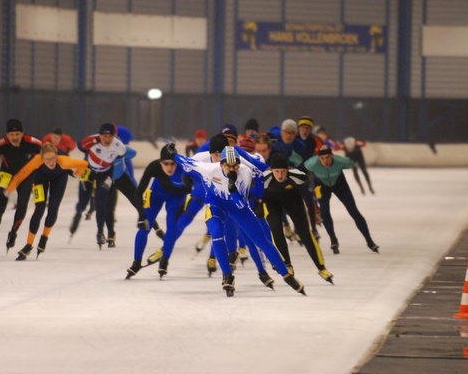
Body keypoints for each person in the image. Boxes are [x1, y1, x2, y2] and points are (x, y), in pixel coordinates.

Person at [173, 145, 306, 297]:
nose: (231, 169)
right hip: (216, 205)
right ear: (221, 164)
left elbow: (241, 204)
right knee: (216, 233)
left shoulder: (245, 173)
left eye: (235, 166)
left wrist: (233, 189)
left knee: (261, 240)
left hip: (238, 206)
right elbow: (187, 162)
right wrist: (172, 154)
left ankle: (287, 276)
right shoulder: (210, 169)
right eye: (228, 166)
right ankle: (227, 274)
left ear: (239, 165)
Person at [2, 142, 90, 260]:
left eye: (53, 158)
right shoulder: (36, 161)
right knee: (39, 209)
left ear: (56, 155)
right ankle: (28, 245)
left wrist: (75, 174)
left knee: (53, 207)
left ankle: (44, 237)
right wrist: (8, 190)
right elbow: (20, 176)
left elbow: (84, 164)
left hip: (59, 179)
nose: (51, 162)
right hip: (40, 179)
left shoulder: (63, 161)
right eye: (47, 159)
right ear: (41, 158)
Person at [263, 153, 333, 283]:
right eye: (276, 171)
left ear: (288, 170)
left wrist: (316, 201)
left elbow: (310, 188)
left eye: (283, 172)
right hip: (272, 204)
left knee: (306, 234)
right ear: (271, 170)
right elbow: (254, 193)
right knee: (276, 231)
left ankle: (321, 268)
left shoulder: (297, 175)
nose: (280, 175)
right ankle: (287, 264)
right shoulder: (264, 178)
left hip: (293, 203)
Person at [125, 144, 192, 279]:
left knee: (172, 225)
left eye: (173, 164)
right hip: (157, 193)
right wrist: (141, 214)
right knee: (145, 226)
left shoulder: (185, 168)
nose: (169, 167)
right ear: (160, 162)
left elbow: (196, 188)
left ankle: (164, 260)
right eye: (165, 164)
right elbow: (138, 193)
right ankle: (136, 262)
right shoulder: (154, 167)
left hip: (177, 197)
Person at [0, 119, 42, 256]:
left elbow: (49, 152)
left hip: (26, 174)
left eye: (17, 134)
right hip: (7, 173)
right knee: (0, 205)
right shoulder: (0, 144)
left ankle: (13, 233)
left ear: (22, 134)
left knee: (22, 202)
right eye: (11, 135)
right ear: (7, 135)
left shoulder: (33, 142)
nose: (15, 138)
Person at [304, 145, 380, 254]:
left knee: (354, 211)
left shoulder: (342, 161)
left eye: (328, 158)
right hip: (320, 186)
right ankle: (333, 239)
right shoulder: (311, 164)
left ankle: (369, 241)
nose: (325, 161)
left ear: (332, 156)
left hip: (340, 184)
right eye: (322, 158)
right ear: (318, 158)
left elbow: (353, 163)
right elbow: (304, 169)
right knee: (324, 211)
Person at [78, 123, 141, 248]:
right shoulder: (100, 148)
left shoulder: (120, 149)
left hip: (118, 179)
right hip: (108, 179)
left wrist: (134, 185)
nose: (107, 140)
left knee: (114, 205)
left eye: (110, 137)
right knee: (106, 206)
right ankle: (108, 233)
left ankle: (153, 226)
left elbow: (129, 167)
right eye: (104, 136)